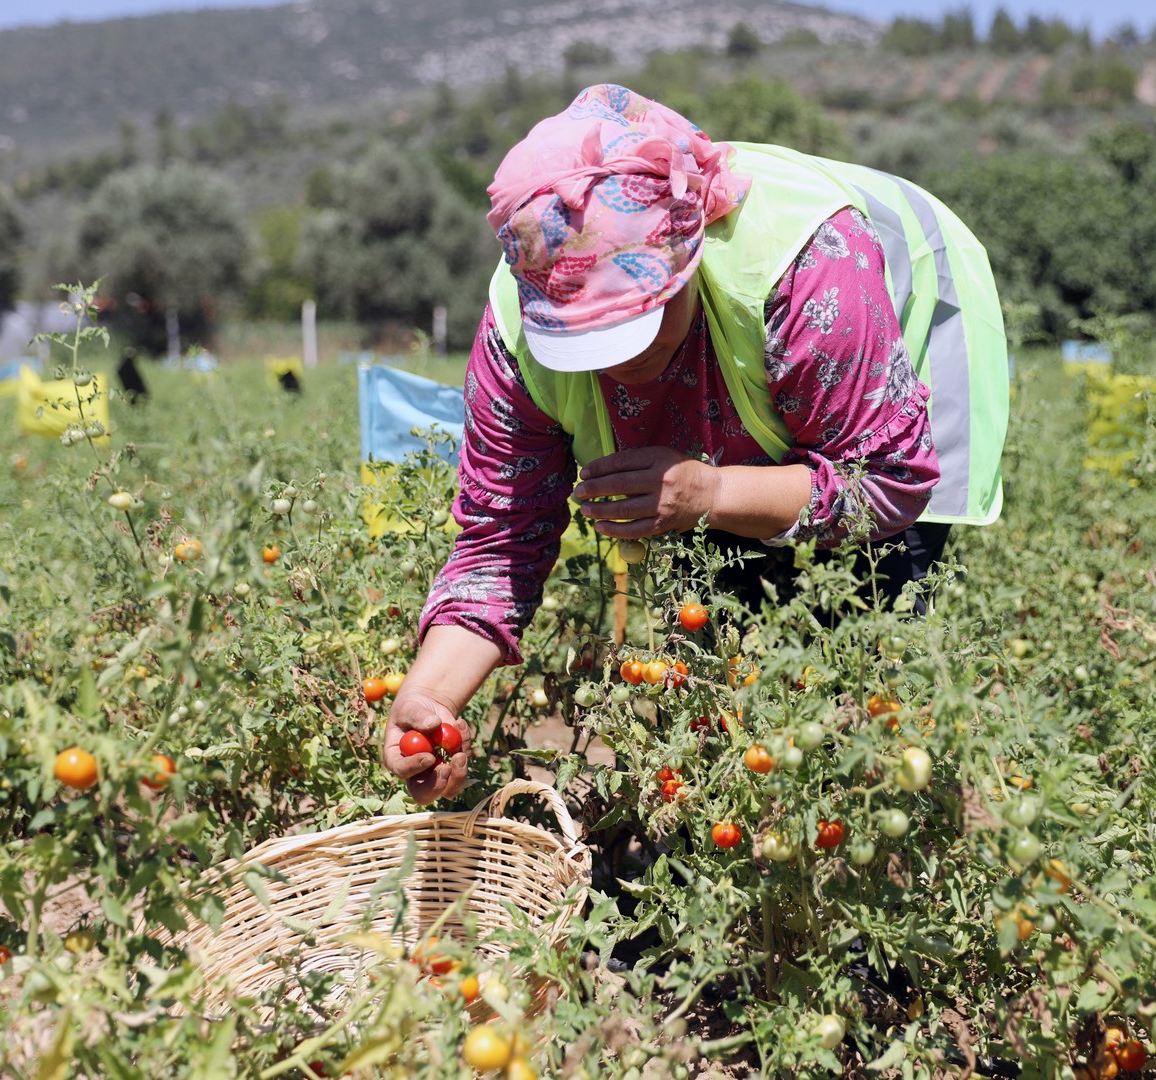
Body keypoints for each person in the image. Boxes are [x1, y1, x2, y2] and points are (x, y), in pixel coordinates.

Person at [383, 84, 1008, 804]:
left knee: (872, 670)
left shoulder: (804, 264)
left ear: (690, 255)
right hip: (729, 435)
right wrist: (429, 696)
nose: (616, 361)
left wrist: (711, 491)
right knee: (721, 672)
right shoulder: (520, 321)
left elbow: (886, 481)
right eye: (582, 337)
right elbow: (500, 539)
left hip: (897, 330)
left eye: (637, 321)